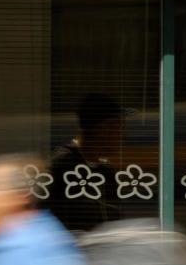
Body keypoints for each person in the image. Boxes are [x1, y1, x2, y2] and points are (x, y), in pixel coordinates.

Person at [46, 94, 126, 232]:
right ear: (100, 128)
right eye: (116, 127)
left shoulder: (106, 171)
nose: (122, 135)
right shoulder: (63, 167)